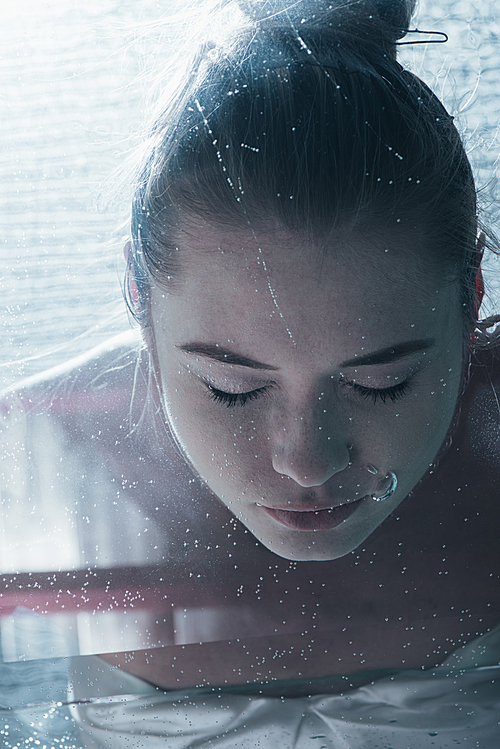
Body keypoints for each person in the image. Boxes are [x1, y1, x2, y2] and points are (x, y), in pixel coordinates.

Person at [1, 0, 499, 745]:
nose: (305, 462)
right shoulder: (26, 466)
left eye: (379, 384)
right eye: (233, 388)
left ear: (472, 301)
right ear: (140, 296)